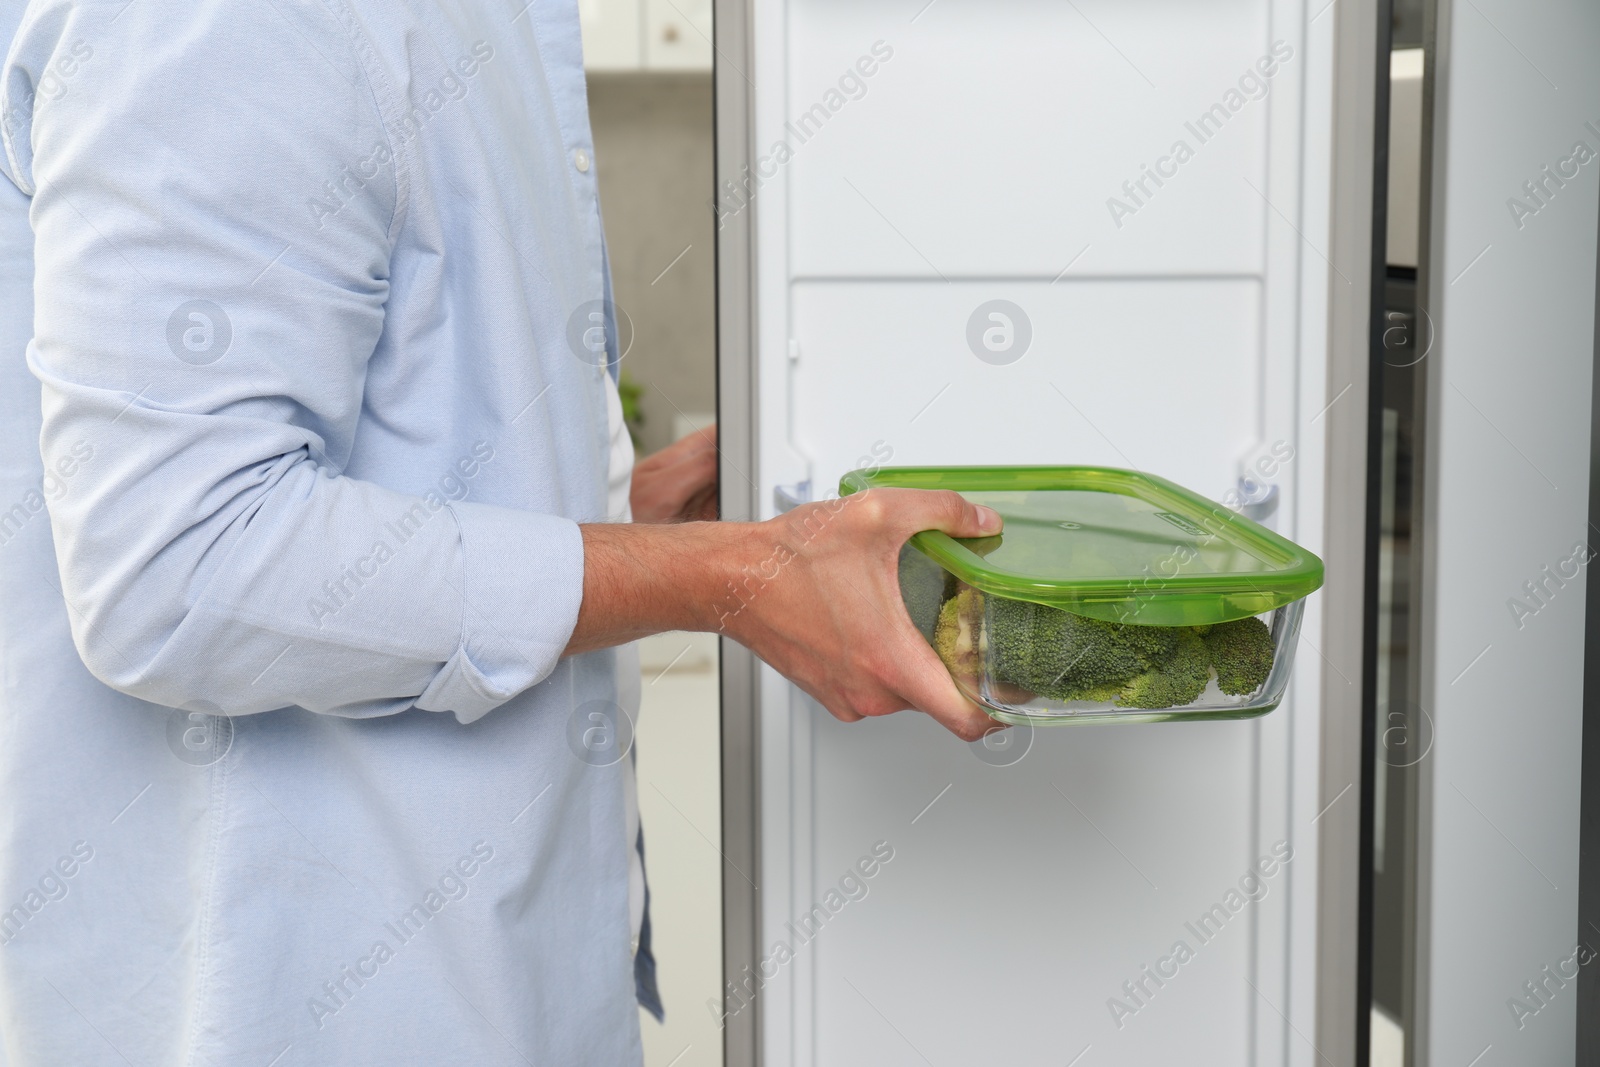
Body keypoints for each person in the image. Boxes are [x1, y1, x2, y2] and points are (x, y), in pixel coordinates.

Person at [0, 1, 999, 1063]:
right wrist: (725, 575)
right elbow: (184, 563)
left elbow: (393, 425)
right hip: (299, 1000)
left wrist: (627, 520)